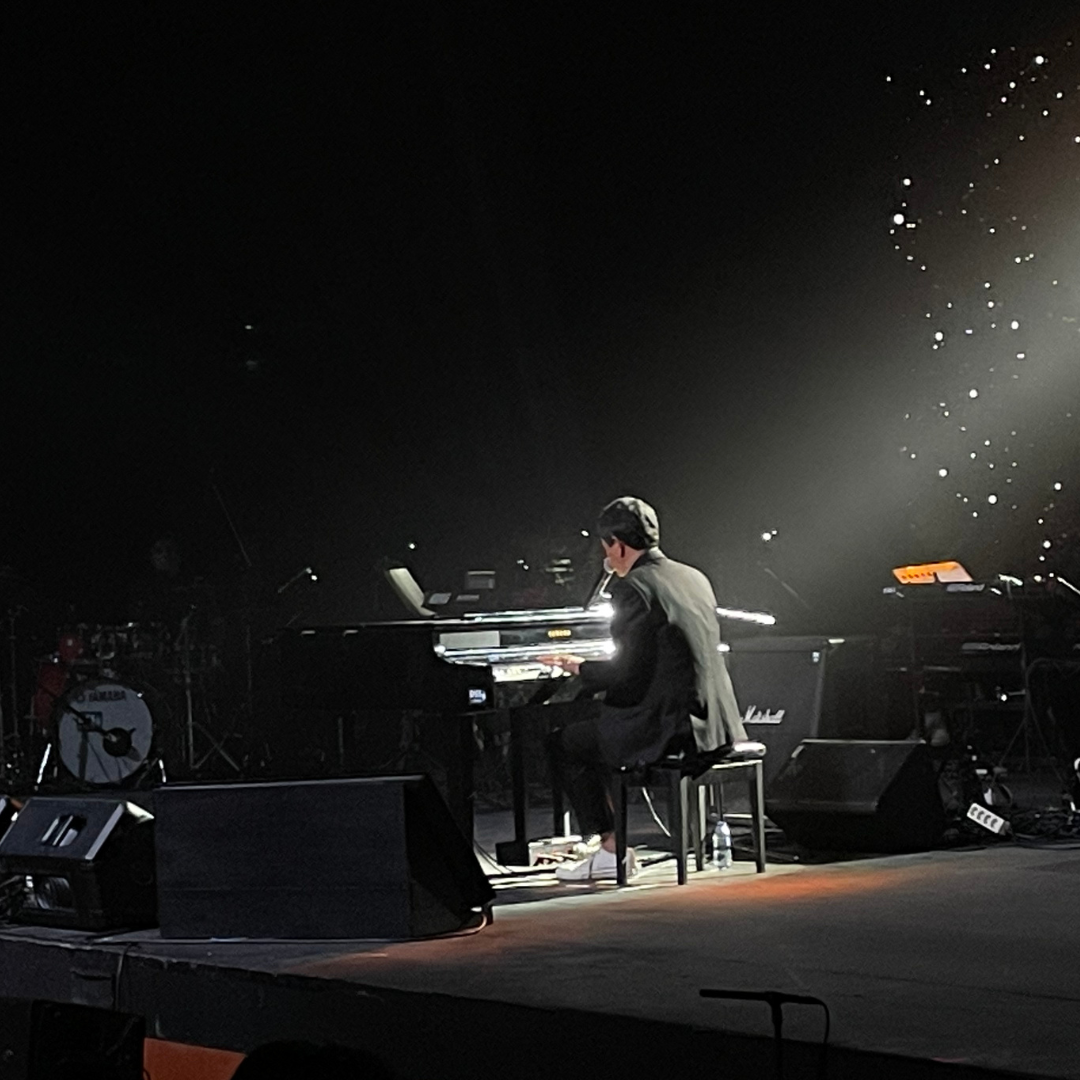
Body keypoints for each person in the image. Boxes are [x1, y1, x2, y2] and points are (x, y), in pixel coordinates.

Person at [544, 496, 753, 881]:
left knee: (564, 743)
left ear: (618, 546)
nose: (607, 557)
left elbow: (626, 673)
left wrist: (578, 667)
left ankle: (611, 848)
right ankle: (612, 842)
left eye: (607, 548)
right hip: (715, 722)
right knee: (598, 730)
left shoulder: (633, 587)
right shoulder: (693, 577)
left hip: (670, 725)